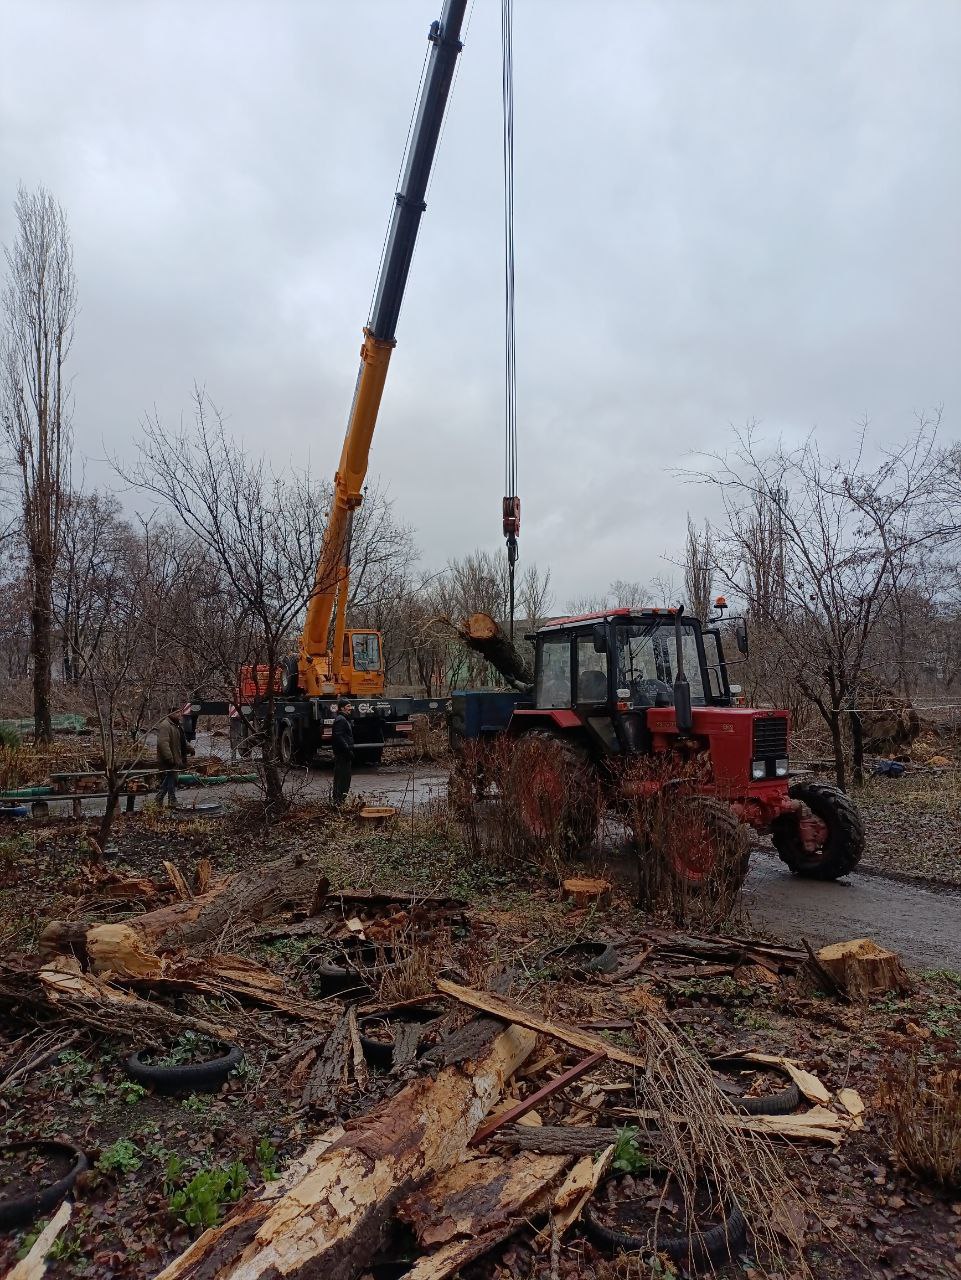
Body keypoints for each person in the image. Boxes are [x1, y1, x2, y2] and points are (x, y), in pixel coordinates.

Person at [154, 708, 194, 809]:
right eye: (176, 713)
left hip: (176, 757)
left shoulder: (176, 725)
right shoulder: (165, 725)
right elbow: (163, 743)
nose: (179, 714)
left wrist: (190, 748)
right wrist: (169, 758)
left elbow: (182, 740)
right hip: (168, 759)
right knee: (171, 779)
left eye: (179, 712)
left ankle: (162, 799)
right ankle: (169, 799)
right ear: (170, 713)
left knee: (171, 779)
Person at [331, 699, 355, 804]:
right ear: (342, 708)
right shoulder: (341, 720)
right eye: (348, 706)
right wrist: (347, 750)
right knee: (342, 778)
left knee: (344, 777)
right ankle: (338, 801)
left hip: (344, 753)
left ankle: (340, 801)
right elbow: (338, 736)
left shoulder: (344, 719)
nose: (350, 708)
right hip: (342, 754)